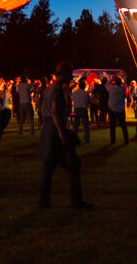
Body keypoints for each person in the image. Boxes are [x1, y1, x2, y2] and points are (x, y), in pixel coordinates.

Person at [38, 62, 91, 209]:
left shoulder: (50, 88)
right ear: (65, 74)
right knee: (73, 165)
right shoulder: (58, 90)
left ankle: (44, 201)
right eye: (70, 74)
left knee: (48, 169)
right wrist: (62, 134)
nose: (71, 77)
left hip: (48, 130)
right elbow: (55, 111)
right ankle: (76, 201)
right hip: (55, 131)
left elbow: (45, 110)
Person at [105, 75, 128, 145]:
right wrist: (122, 80)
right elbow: (125, 84)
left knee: (112, 126)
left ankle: (113, 141)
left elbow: (106, 84)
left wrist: (111, 79)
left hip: (112, 109)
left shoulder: (111, 89)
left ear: (115, 82)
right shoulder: (123, 88)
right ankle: (126, 139)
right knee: (123, 125)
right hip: (121, 109)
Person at [71, 78, 91, 144]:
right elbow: (88, 101)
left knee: (75, 125)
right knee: (85, 125)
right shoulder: (86, 93)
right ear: (84, 86)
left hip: (76, 109)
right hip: (83, 109)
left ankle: (75, 138)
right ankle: (86, 139)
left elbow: (72, 100)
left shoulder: (74, 93)